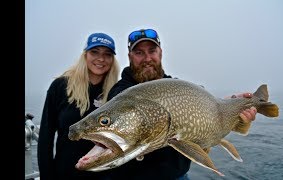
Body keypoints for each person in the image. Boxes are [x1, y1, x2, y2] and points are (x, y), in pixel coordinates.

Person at [104, 28, 257, 180]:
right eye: (139, 53)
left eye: (152, 51)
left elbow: (207, 106)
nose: (147, 58)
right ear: (130, 56)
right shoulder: (119, 93)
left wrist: (233, 101)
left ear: (161, 53)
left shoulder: (179, 87)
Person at [37, 32, 120, 180]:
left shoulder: (117, 92)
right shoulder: (61, 87)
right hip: (65, 173)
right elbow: (45, 138)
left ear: (113, 60)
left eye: (107, 54)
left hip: (106, 174)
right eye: (95, 52)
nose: (101, 59)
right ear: (85, 54)